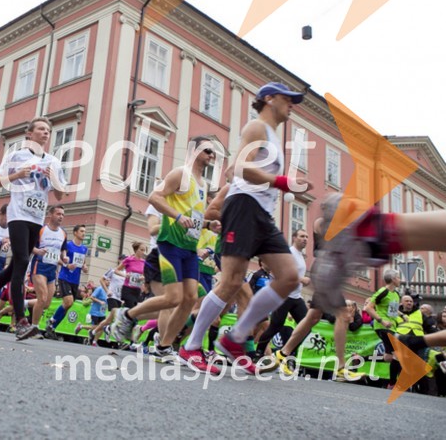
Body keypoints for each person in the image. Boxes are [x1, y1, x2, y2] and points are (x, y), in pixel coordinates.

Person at [178, 82, 311, 375]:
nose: (292, 105)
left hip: (262, 213)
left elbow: (237, 171)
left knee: (289, 277)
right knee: (231, 282)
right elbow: (239, 167)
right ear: (269, 99)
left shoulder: (273, 136)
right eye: (288, 99)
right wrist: (281, 182)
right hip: (244, 206)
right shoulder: (257, 127)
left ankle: (235, 338)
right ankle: (192, 345)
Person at [111, 136, 218, 365]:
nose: (212, 155)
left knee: (190, 298)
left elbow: (194, 218)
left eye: (213, 152)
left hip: (189, 247)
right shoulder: (180, 173)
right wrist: (177, 217)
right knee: (172, 298)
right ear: (194, 151)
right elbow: (154, 197)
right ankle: (127, 315)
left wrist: (209, 225)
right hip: (170, 244)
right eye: (208, 150)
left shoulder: (203, 183)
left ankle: (163, 347)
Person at [0, 117, 66, 339]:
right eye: (41, 129)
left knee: (15, 267)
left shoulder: (53, 161)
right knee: (22, 261)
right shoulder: (16, 155)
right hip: (18, 214)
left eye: (48, 130)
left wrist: (55, 181)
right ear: (29, 134)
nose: (45, 133)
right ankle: (22, 321)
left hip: (36, 217)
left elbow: (60, 195)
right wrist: (16, 175)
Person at [259, 204, 365, 381]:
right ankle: (340, 368)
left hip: (330, 274)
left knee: (312, 317)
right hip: (325, 272)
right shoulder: (322, 225)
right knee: (343, 315)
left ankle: (282, 354)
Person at [256, 229, 310, 356]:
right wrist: (301, 279)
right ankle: (259, 352)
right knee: (275, 326)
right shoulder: (288, 252)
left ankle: (288, 353)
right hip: (283, 295)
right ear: (294, 238)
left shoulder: (301, 256)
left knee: (306, 327)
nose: (305, 239)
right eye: (302, 236)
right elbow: (275, 272)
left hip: (296, 297)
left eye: (307, 237)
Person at [27, 205, 67, 339]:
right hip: (39, 266)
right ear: (50, 215)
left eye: (62, 214)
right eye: (58, 214)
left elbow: (62, 250)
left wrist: (64, 257)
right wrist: (37, 251)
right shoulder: (41, 230)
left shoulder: (63, 233)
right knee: (42, 298)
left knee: (46, 303)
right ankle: (34, 328)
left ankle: (24, 304)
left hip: (52, 269)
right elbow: (28, 245)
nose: (61, 216)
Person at [45, 223, 89, 339]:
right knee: (68, 302)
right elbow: (57, 258)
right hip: (64, 277)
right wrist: (66, 265)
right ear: (75, 233)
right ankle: (52, 320)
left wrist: (84, 267)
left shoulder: (84, 249)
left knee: (68, 305)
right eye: (81, 231)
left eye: (85, 231)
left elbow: (83, 262)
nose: (84, 233)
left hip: (75, 280)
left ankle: (52, 327)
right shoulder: (68, 246)